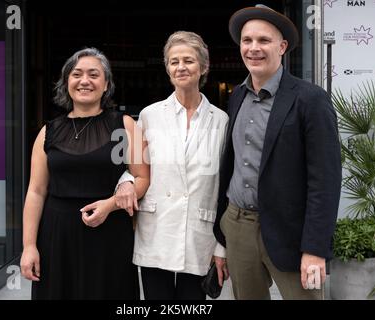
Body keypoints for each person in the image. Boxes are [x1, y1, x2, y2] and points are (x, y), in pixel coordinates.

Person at [213, 5, 342, 300]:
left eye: (264, 41)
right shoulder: (237, 97)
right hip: (239, 227)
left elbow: (325, 180)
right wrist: (223, 233)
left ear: (282, 47)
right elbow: (231, 165)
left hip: (291, 233)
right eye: (247, 41)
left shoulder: (310, 100)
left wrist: (315, 248)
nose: (253, 48)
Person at [20, 47, 149, 299]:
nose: (84, 81)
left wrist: (111, 205)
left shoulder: (124, 126)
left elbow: (143, 178)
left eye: (93, 74)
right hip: (57, 237)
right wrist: (29, 246)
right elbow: (36, 192)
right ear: (67, 82)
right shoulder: (48, 132)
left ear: (106, 84)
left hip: (110, 234)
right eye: (76, 74)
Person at [117, 31, 229, 300]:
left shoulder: (222, 120)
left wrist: (222, 247)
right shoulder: (149, 115)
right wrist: (126, 183)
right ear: (167, 68)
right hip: (157, 229)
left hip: (200, 231)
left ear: (203, 67)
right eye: (173, 61)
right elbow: (135, 167)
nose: (181, 67)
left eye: (188, 60)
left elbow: (226, 186)